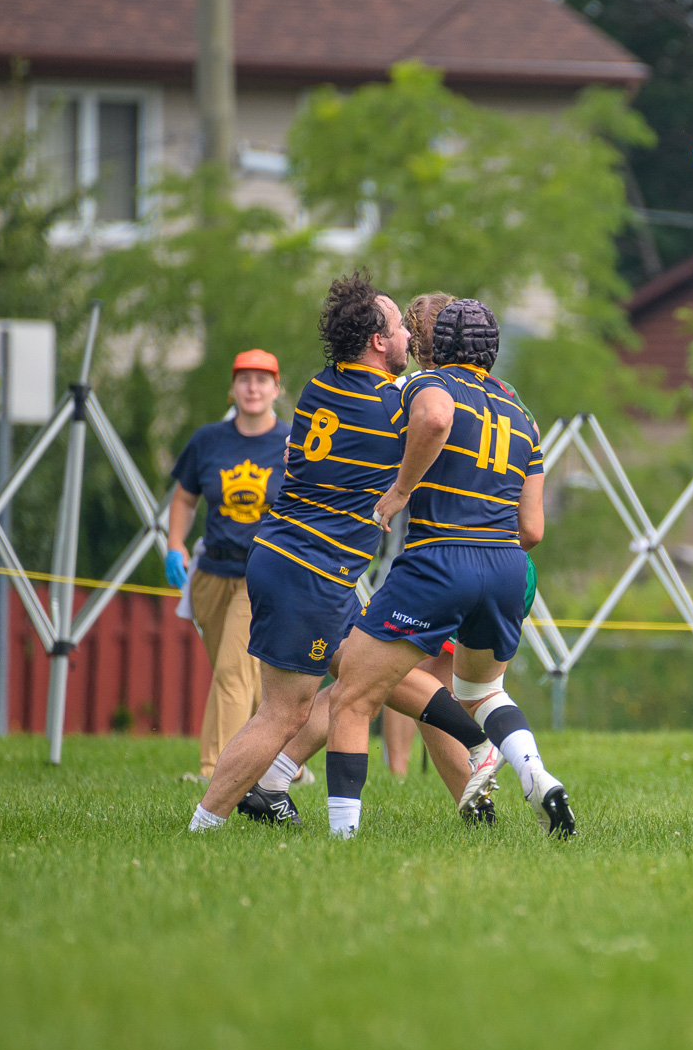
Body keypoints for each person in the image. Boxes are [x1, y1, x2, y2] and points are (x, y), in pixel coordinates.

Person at [188, 275, 495, 833]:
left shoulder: (317, 386)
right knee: (285, 711)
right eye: (399, 327)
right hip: (312, 572)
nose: (405, 333)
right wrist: (403, 488)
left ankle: (479, 751)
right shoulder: (393, 402)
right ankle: (203, 825)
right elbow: (434, 417)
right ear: (378, 341)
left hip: (289, 559)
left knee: (373, 670)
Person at [323, 297, 575, 839]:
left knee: (351, 694)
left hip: (439, 558)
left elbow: (433, 419)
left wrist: (401, 490)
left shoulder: (427, 385)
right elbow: (533, 530)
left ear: (438, 344)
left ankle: (341, 837)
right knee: (482, 693)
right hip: (507, 567)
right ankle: (539, 776)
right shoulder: (523, 414)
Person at [166, 349, 291, 780]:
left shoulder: (293, 444)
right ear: (233, 388)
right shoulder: (208, 440)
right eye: (244, 379)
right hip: (210, 575)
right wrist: (175, 544)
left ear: (277, 389)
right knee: (242, 676)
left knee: (231, 673)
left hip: (260, 576)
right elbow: (184, 497)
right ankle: (279, 761)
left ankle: (217, 771)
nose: (253, 388)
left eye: (262, 379)